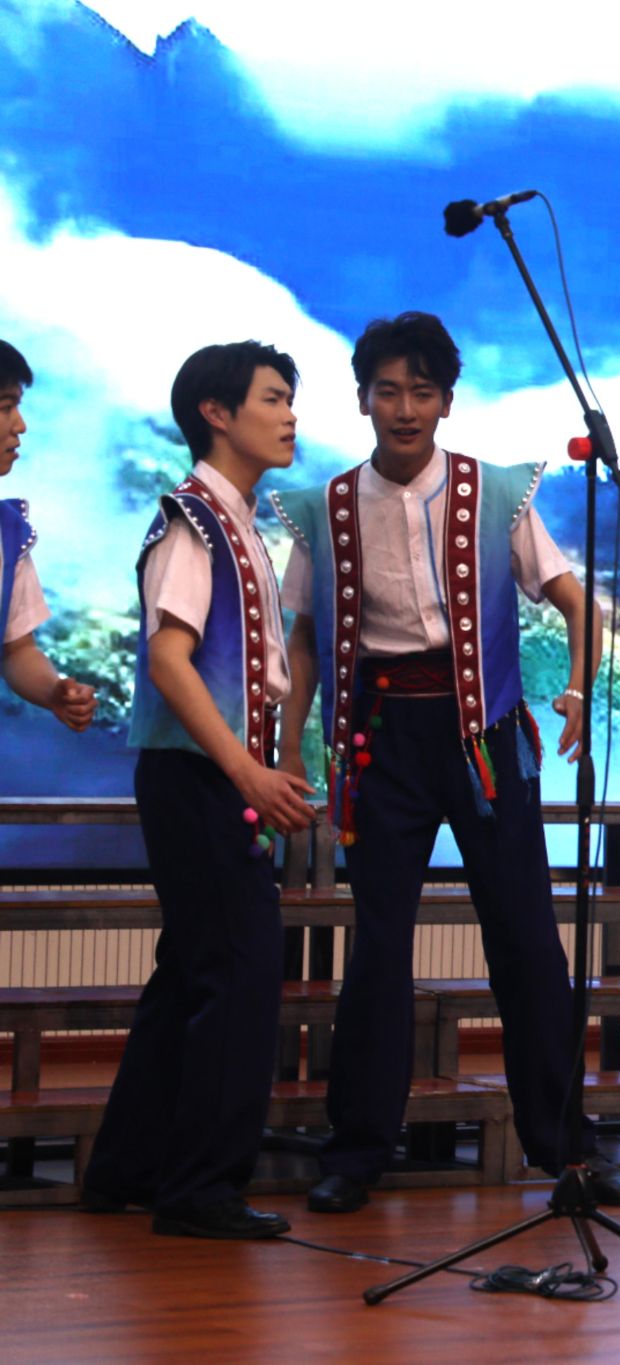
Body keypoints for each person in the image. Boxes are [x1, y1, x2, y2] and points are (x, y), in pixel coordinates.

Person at [271, 311, 620, 1213]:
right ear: (362, 399)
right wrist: (289, 740)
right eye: (388, 391)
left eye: (422, 391)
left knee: (527, 940)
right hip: (379, 737)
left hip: (485, 739)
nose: (405, 408)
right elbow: (307, 635)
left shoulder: (494, 493)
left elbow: (575, 601)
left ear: (446, 401)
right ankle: (358, 1150)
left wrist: (577, 689)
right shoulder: (327, 507)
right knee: (379, 945)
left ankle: (568, 1150)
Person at [82, 341, 315, 1237]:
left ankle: (129, 1167)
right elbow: (169, 660)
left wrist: (272, 755)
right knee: (241, 973)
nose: (289, 415)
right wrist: (247, 768)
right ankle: (200, 1188)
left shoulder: (238, 521)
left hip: (208, 774)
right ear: (217, 413)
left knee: (191, 972)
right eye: (272, 398)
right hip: (197, 775)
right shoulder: (192, 521)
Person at [0, 340, 97, 730]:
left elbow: (16, 648)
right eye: (5, 407)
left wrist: (53, 691)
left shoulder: (8, 533)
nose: (20, 425)